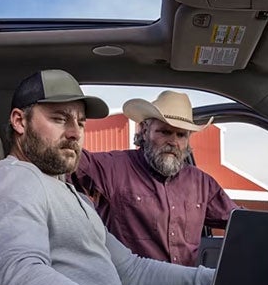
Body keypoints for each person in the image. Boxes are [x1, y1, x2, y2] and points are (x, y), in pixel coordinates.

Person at [0, 70, 213, 285]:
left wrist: (209, 279)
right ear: (19, 121)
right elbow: (23, 282)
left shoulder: (71, 194)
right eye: (59, 119)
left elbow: (132, 270)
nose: (74, 133)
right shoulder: (11, 179)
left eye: (80, 123)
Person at [71, 90, 239, 266]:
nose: (173, 142)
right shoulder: (113, 168)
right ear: (144, 131)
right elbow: (68, 161)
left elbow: (241, 222)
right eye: (165, 132)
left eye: (181, 135)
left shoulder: (202, 184)